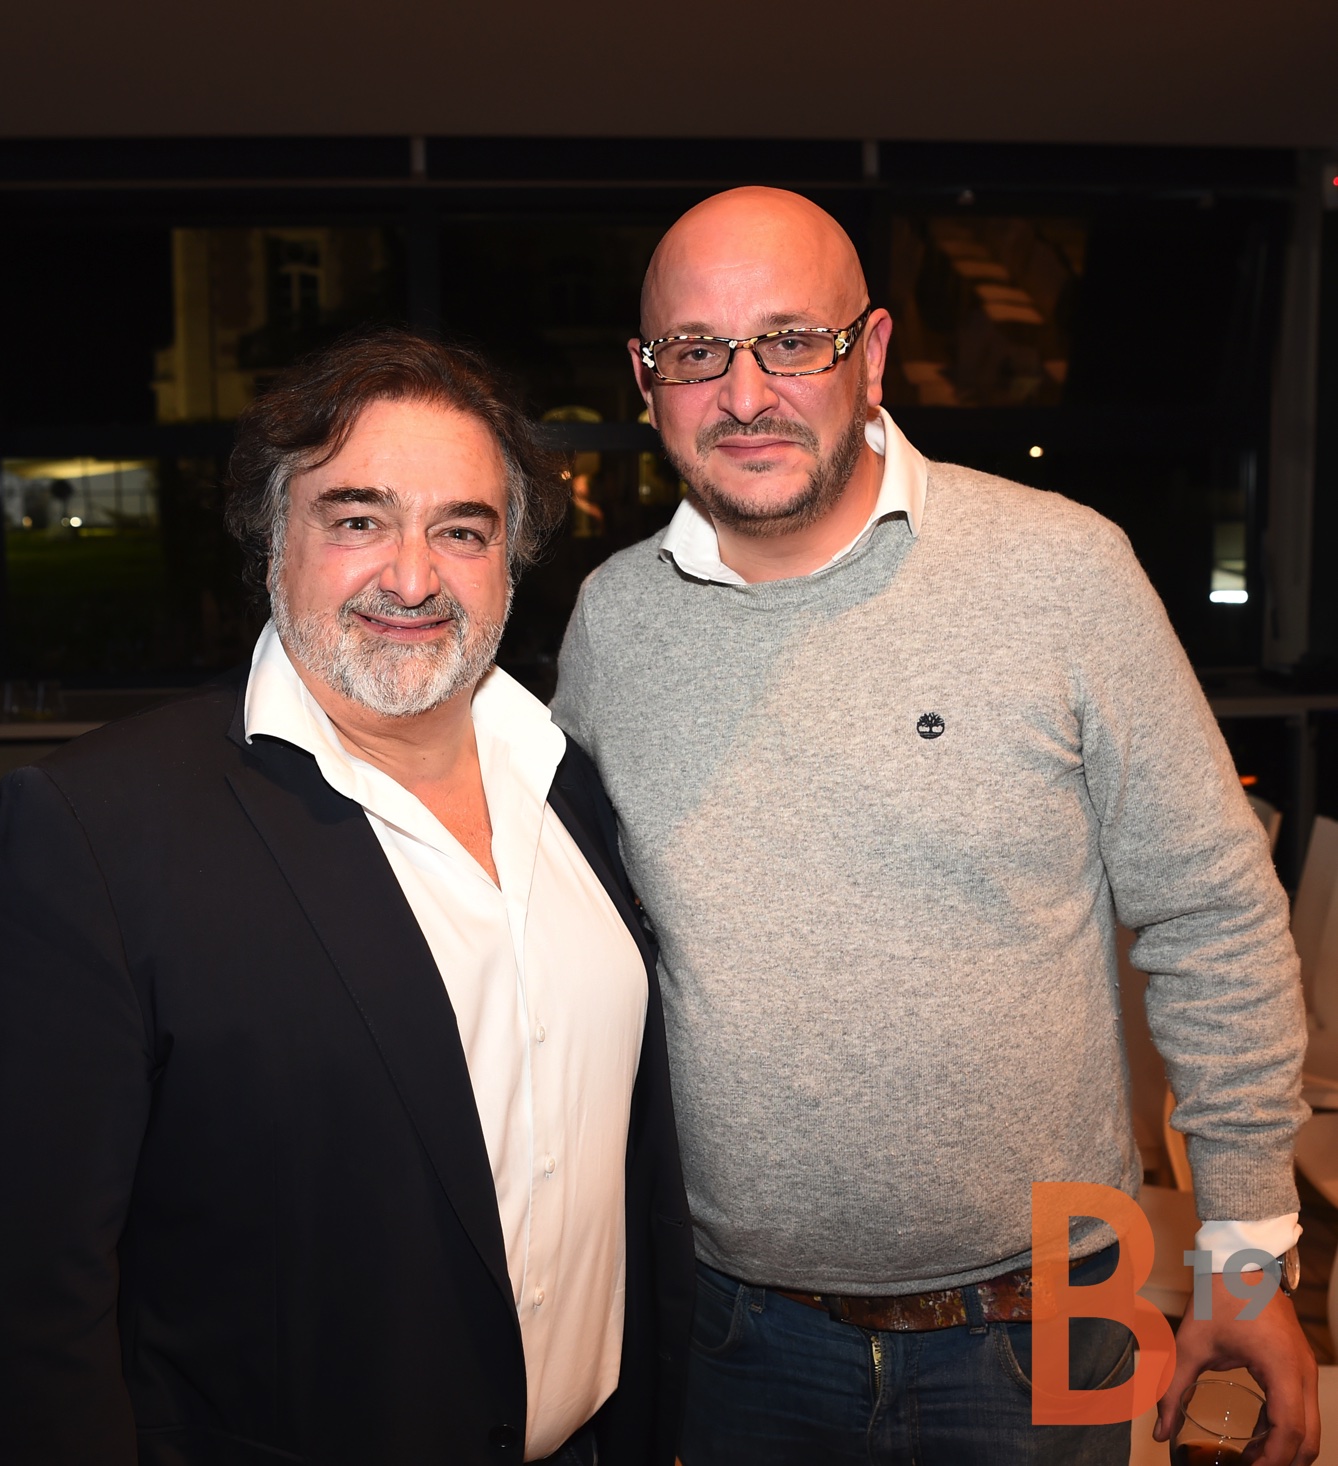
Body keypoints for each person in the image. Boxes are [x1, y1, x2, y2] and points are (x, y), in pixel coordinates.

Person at [550, 187, 1317, 1465]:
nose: (744, 392)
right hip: (733, 1330)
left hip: (1060, 1304)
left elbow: (1212, 912)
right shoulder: (612, 623)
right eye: (695, 350)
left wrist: (1242, 1252)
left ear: (873, 354)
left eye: (792, 340)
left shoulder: (1062, 568)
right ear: (645, 379)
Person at [0, 329, 695, 1465]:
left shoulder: (567, 781)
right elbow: (14, 1312)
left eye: (462, 529)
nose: (412, 577)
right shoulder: (91, 834)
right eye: (359, 519)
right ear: (271, 540)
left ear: (512, 560)